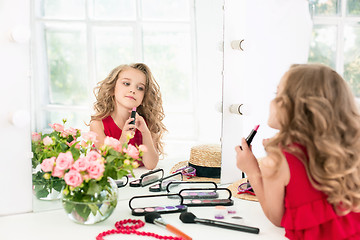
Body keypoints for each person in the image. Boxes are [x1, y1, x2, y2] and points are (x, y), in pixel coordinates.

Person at [235, 63, 360, 239]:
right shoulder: (350, 147)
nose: (272, 101)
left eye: (277, 94)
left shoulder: (278, 161)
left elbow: (276, 218)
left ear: (294, 107)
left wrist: (252, 171)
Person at [90, 63, 167, 170]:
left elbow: (151, 165)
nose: (133, 90)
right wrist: (123, 139)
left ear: (144, 98)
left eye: (140, 88)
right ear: (112, 89)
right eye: (126, 83)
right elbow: (109, 164)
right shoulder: (98, 125)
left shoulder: (146, 124)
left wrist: (145, 132)